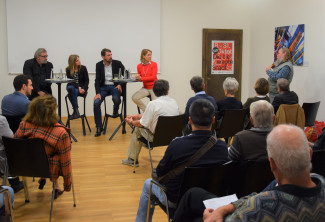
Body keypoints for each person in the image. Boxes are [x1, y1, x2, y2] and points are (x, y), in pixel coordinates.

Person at [172, 124, 325, 222]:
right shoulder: (319, 180)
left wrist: (210, 217)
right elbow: (262, 194)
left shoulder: (258, 209)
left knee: (193, 204)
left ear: (272, 164)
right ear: (310, 154)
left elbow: (258, 200)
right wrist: (226, 208)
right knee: (194, 195)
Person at [134, 99, 229, 222]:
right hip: (209, 199)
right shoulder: (222, 147)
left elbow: (159, 173)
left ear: (189, 120)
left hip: (176, 200)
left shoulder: (177, 144)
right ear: (213, 120)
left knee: (148, 184)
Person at [15, 95, 72, 199]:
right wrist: (67, 185)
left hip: (26, 166)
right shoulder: (60, 132)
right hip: (49, 168)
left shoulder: (24, 125)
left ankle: (44, 179)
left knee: (42, 152)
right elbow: (66, 162)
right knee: (56, 155)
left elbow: (16, 144)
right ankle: (56, 186)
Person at [122, 80, 179, 167]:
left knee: (138, 129)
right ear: (167, 91)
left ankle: (132, 159)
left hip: (156, 139)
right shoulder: (173, 102)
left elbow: (141, 124)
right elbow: (153, 115)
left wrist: (131, 122)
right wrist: (137, 116)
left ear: (154, 92)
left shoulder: (153, 104)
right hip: (172, 137)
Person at [93, 48, 125, 137]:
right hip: (103, 87)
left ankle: (115, 111)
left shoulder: (117, 63)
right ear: (103, 56)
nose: (111, 56)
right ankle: (99, 127)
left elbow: (126, 75)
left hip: (114, 86)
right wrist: (98, 92)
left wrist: (120, 84)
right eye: (108, 55)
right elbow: (97, 80)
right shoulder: (99, 65)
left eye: (111, 54)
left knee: (115, 98)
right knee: (96, 103)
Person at [0, 115, 24, 193]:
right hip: (3, 163)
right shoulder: (1, 120)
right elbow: (10, 141)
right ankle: (15, 184)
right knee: (10, 151)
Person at [65, 54, 89, 119]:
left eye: (79, 59)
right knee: (71, 88)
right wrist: (78, 87)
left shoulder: (83, 68)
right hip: (72, 86)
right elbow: (70, 81)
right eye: (77, 61)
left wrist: (84, 89)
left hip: (81, 89)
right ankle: (76, 110)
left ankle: (75, 111)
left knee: (71, 94)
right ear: (73, 62)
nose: (79, 61)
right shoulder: (68, 69)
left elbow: (87, 81)